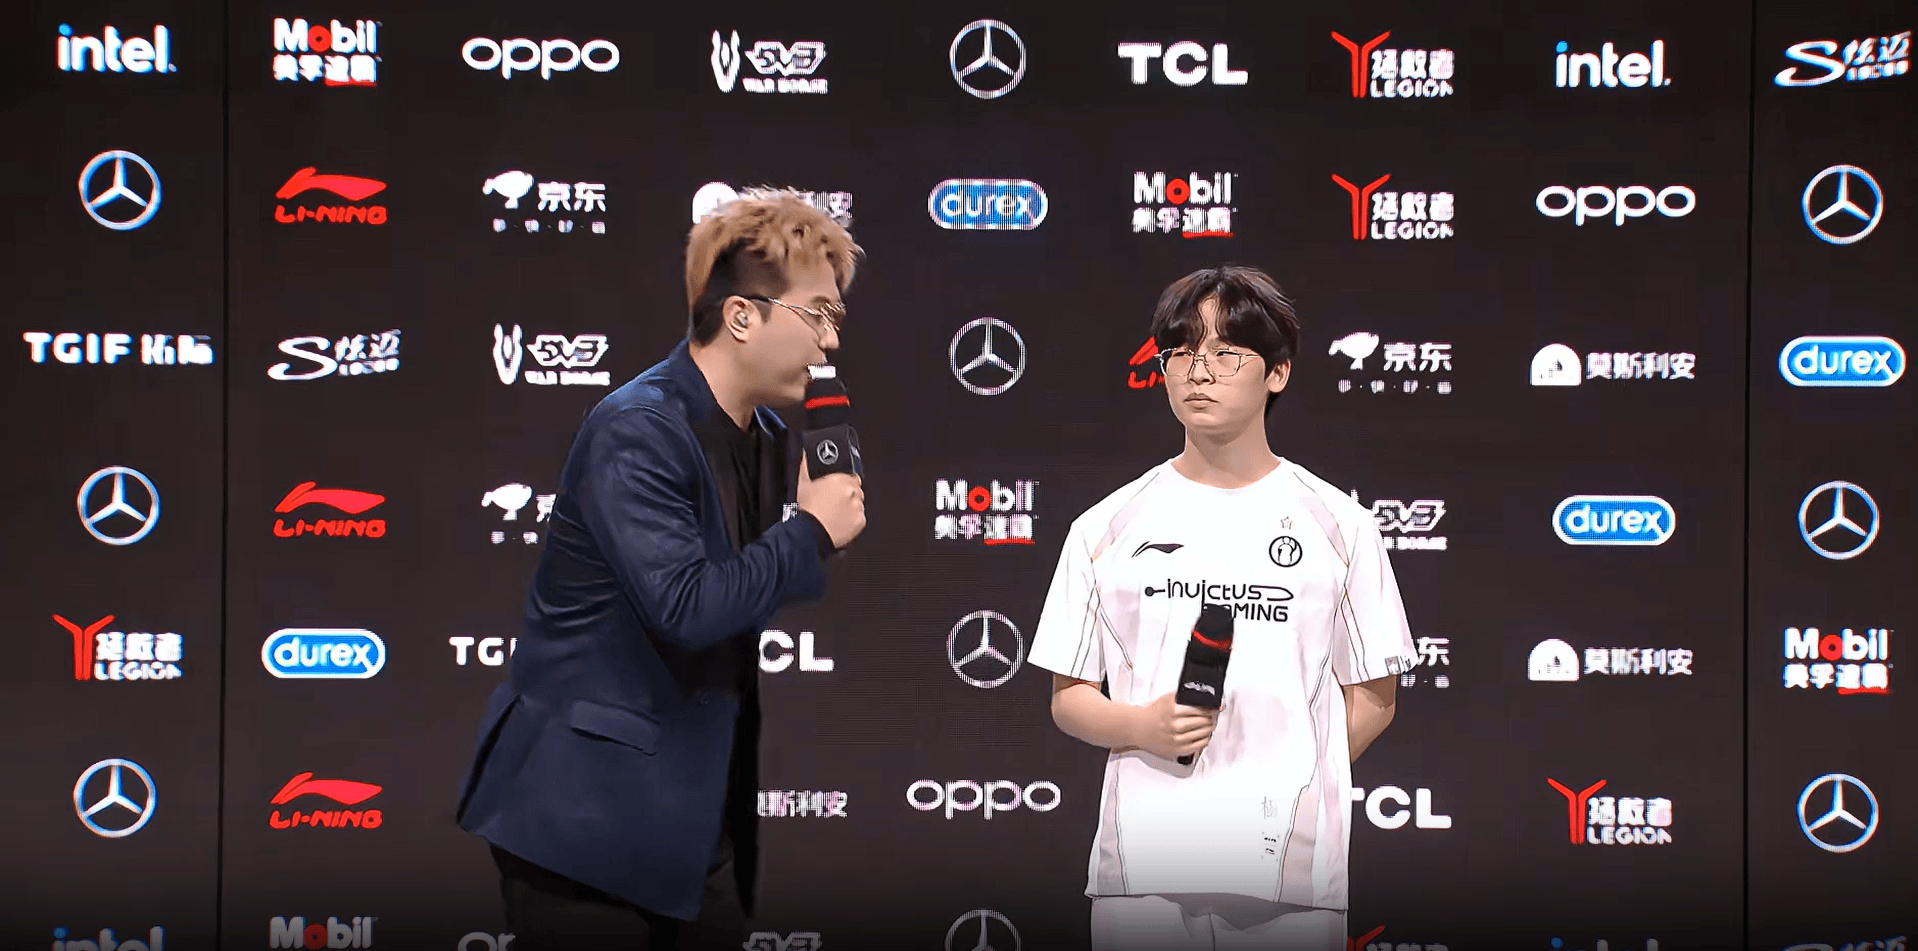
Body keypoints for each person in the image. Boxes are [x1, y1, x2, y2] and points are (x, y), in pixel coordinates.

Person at [455, 191, 868, 950]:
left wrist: (814, 538)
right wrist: (809, 531)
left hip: (688, 820)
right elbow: (685, 607)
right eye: (817, 315)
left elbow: (756, 590)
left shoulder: (763, 435)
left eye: (835, 318)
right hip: (585, 819)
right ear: (742, 316)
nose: (830, 341)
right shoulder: (638, 429)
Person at [1027, 265, 1417, 951]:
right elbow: (1070, 697)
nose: (1198, 372)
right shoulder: (1104, 526)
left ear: (1278, 372)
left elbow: (1376, 697)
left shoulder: (1341, 525)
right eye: (1180, 353)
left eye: (1225, 352)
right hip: (1142, 871)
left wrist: (1292, 776)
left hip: (1289, 879)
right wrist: (1140, 725)